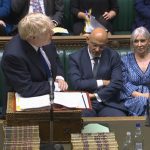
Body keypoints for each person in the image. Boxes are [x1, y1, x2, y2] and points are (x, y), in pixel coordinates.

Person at [1, 13, 68, 118]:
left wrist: (59, 77)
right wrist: (54, 86)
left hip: (48, 97)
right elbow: (27, 89)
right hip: (23, 106)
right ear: (32, 37)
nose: (52, 33)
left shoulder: (44, 38)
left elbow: (55, 59)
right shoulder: (13, 55)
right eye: (48, 32)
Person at [68, 27, 127, 117]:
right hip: (85, 104)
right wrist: (102, 82)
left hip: (107, 102)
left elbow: (117, 83)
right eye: (94, 45)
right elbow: (76, 83)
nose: (97, 49)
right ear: (87, 40)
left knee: (120, 121)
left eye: (102, 46)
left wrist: (96, 95)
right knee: (79, 120)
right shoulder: (75, 58)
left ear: (106, 44)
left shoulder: (113, 56)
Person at [120, 26, 150, 116]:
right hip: (131, 98)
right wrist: (143, 96)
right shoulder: (124, 60)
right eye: (136, 41)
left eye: (142, 40)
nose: (139, 44)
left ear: (149, 42)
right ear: (132, 43)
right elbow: (124, 84)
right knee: (142, 101)